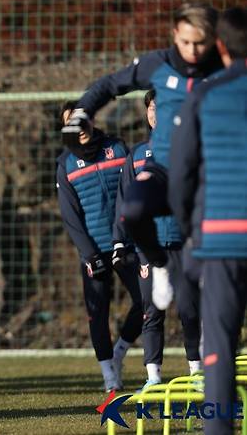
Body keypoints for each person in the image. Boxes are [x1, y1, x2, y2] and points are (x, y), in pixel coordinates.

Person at [64, 2, 223, 311]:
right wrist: (81, 113)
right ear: (175, 34)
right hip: (163, 168)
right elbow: (109, 85)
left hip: (206, 172)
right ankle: (160, 264)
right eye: (186, 41)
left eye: (200, 42)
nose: (192, 49)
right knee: (134, 210)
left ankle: (207, 278)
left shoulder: (221, 69)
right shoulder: (157, 64)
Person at [169, 7, 247, 434]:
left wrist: (188, 230)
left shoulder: (205, 94)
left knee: (218, 348)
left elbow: (180, 174)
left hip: (221, 242)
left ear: (220, 46)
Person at [115, 90, 201, 390]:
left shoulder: (187, 150)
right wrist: (120, 241)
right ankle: (153, 377)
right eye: (152, 108)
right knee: (150, 311)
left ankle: (197, 372)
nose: (156, 113)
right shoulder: (136, 155)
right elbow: (124, 201)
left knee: (190, 309)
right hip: (147, 249)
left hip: (181, 243)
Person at [57, 101, 143, 392]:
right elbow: (70, 217)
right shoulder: (65, 164)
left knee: (147, 301)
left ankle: (119, 353)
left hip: (128, 243)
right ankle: (108, 375)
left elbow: (138, 190)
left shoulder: (118, 148)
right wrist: (89, 253)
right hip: (93, 250)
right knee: (98, 313)